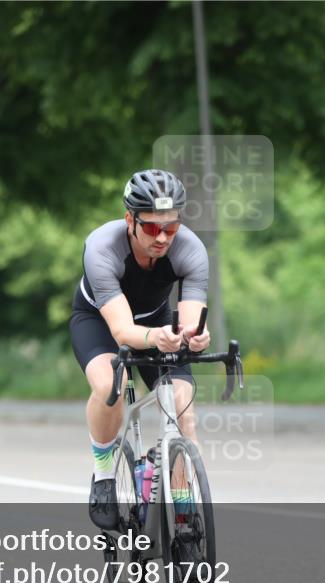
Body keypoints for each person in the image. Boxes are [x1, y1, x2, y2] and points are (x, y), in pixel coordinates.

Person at [70, 169, 210, 530]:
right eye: (151, 228)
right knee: (109, 389)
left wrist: (194, 336)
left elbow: (191, 319)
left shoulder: (190, 249)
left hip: (155, 320)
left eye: (171, 227)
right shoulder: (102, 247)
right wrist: (156, 337)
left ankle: (184, 515)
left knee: (183, 405)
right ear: (129, 219)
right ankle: (103, 477)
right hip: (99, 321)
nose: (163, 237)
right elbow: (121, 330)